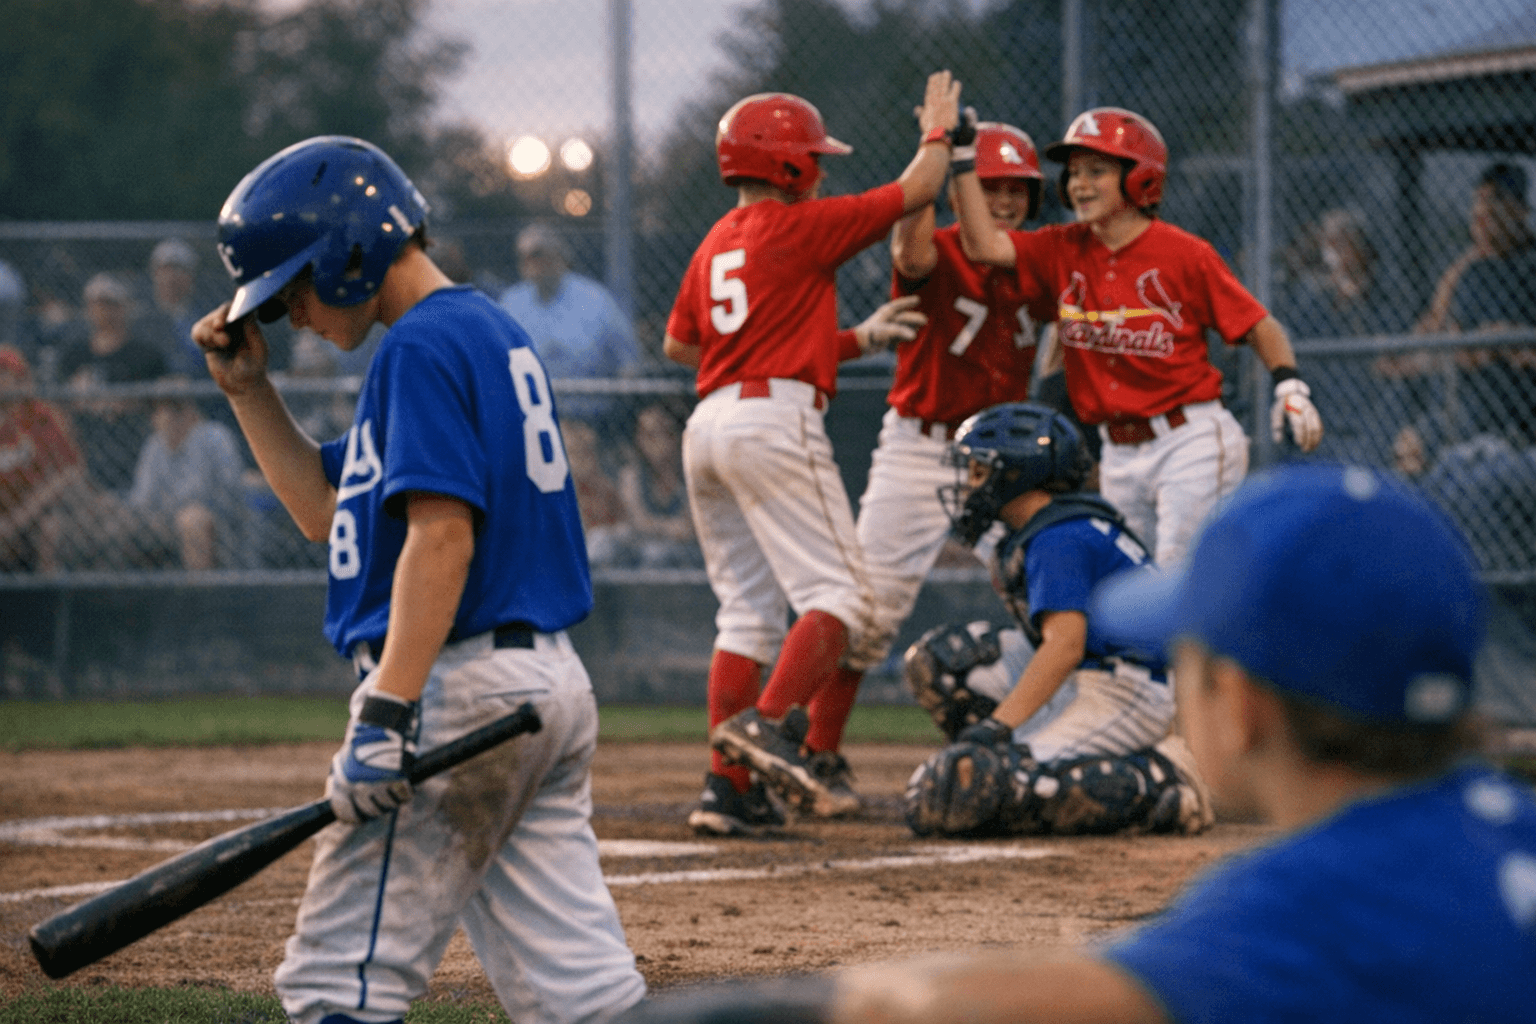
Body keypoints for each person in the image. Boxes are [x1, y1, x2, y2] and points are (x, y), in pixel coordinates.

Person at [614, 462, 1534, 1024]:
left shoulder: (1304, 907)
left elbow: (943, 1009)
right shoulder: (1512, 826)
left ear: (1242, 704)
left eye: (1193, 656)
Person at [192, 135, 645, 1024]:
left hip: (458, 695)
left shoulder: (422, 349)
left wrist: (388, 712)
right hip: (536, 688)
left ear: (346, 253)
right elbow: (329, 514)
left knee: (334, 986)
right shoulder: (477, 331)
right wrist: (251, 392)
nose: (296, 318)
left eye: (295, 291)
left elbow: (442, 541)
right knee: (585, 1000)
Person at [663, 75, 962, 835]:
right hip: (774, 422)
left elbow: (681, 343)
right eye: (812, 158)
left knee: (746, 616)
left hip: (709, 424)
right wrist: (939, 128)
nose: (821, 170)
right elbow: (921, 184)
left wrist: (853, 339)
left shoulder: (714, 243)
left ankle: (726, 792)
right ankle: (768, 729)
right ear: (789, 167)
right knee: (846, 600)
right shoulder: (797, 226)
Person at [802, 122, 1057, 814]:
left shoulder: (1039, 260)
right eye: (993, 186)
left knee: (1050, 593)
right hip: (922, 443)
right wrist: (929, 172)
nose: (1004, 200)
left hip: (1004, 458)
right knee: (872, 607)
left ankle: (1057, 736)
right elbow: (910, 256)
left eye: (1016, 189)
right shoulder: (942, 245)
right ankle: (818, 752)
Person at [953, 106, 1324, 565]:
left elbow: (1257, 325)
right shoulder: (1061, 247)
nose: (1079, 184)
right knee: (1130, 586)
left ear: (1139, 178)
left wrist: (1290, 385)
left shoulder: (1184, 254)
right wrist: (964, 160)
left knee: (1173, 576)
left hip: (1189, 441)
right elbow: (982, 245)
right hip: (1118, 451)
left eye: (1096, 171)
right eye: (1073, 173)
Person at [901, 401, 1212, 838]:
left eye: (979, 471)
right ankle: (993, 765)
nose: (970, 485)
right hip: (1089, 673)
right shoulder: (1045, 527)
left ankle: (1161, 780)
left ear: (1016, 473)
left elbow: (1065, 644)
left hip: (1129, 689)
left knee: (1011, 789)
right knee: (942, 660)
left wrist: (997, 728)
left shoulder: (1059, 536)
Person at [498, 222, 642, 431]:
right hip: (527, 420)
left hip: (590, 418)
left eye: (537, 253)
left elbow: (629, 362)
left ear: (559, 257)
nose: (531, 262)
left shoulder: (595, 299)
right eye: (524, 256)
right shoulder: (511, 302)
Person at [55, 271, 168, 492]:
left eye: (110, 304)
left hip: (133, 441)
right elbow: (59, 403)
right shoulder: (73, 354)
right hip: (84, 440)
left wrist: (122, 403)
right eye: (97, 304)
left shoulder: (145, 354)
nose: (103, 311)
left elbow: (163, 402)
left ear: (124, 307)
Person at [124, 381, 249, 569]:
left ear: (187, 412)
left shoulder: (215, 437)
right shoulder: (155, 445)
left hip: (219, 521)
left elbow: (228, 493)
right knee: (117, 521)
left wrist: (178, 509)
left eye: (165, 410)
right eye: (157, 411)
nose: (157, 418)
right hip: (164, 519)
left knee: (191, 519)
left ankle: (199, 596)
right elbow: (142, 498)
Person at [0, 346, 84, 572]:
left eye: (3, 374)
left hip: (42, 510)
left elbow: (70, 472)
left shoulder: (41, 415)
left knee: (50, 528)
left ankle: (49, 601)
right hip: (6, 513)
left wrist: (18, 519)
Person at [617, 401, 700, 569]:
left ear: (676, 436)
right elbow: (637, 521)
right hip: (642, 544)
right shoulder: (632, 475)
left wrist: (654, 526)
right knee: (602, 541)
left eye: (661, 433)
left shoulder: (691, 474)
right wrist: (669, 528)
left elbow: (690, 529)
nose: (654, 442)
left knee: (655, 553)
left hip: (689, 551)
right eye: (646, 434)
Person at [142, 238, 210, 375]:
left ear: (192, 275)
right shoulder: (141, 320)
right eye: (165, 269)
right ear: (154, 274)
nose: (171, 277)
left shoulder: (206, 318)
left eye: (179, 270)